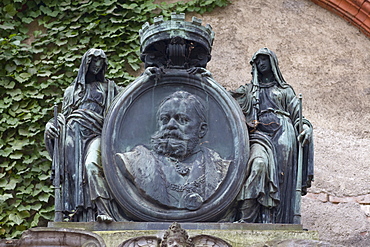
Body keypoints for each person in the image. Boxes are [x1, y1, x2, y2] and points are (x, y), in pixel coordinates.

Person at [231, 48, 314, 223]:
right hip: (259, 134)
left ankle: (278, 220)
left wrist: (306, 128)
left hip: (283, 131)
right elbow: (227, 101)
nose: (261, 64)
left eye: (264, 60)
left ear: (272, 63)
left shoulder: (285, 90)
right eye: (258, 61)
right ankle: (252, 217)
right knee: (258, 164)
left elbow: (298, 116)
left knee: (282, 176)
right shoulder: (248, 91)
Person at [45, 48, 126, 222]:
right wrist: (49, 126)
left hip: (98, 134)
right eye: (93, 61)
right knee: (73, 176)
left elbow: (129, 99)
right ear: (85, 64)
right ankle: (79, 216)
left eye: (100, 62)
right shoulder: (71, 91)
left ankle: (103, 210)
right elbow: (62, 118)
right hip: (72, 136)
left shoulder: (110, 88)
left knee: (91, 166)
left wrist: (148, 75)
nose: (97, 66)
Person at [115, 91, 230, 210]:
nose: (170, 125)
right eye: (164, 119)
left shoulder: (220, 167)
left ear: (202, 129)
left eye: (182, 120)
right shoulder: (134, 162)